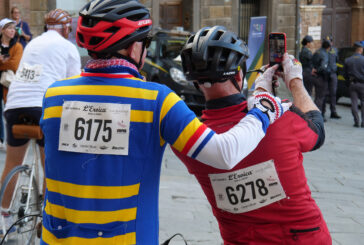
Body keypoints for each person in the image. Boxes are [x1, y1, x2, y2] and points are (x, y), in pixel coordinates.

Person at [39, 1, 285, 244]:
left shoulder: (53, 95)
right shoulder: (157, 100)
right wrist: (264, 110)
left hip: (57, 238)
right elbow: (224, 153)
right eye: (145, 43)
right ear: (134, 48)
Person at [173, 26, 330, 244]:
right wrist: (295, 81)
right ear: (239, 74)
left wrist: (260, 95)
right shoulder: (280, 115)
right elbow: (317, 132)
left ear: (195, 83)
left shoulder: (191, 139)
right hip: (302, 237)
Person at [0, 9, 81, 232]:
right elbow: (74, 85)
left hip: (15, 104)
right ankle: (46, 217)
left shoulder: (33, 43)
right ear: (66, 29)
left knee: (11, 164)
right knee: (51, 165)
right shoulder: (68, 48)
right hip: (43, 106)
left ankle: (3, 217)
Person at [0, 18, 23, 148]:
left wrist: (2, 62)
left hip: (10, 82)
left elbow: (15, 64)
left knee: (9, 109)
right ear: (2, 30)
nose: (13, 31)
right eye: (9, 28)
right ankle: (1, 138)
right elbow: (10, 63)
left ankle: (12, 138)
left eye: (14, 28)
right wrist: (5, 63)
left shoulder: (17, 46)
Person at [344, 41, 364, 127]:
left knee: (354, 103)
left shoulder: (348, 60)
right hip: (363, 84)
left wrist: (348, 83)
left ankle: (356, 121)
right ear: (361, 49)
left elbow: (345, 74)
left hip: (352, 84)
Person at [312, 39, 331, 121]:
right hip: (322, 77)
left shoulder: (317, 52)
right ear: (328, 47)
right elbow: (324, 66)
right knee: (320, 98)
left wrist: (314, 70)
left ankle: (316, 114)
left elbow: (311, 62)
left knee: (317, 97)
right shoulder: (324, 54)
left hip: (315, 77)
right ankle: (317, 116)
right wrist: (318, 70)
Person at [323, 35, 341, 119]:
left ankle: (333, 112)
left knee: (333, 93)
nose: (328, 43)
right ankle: (322, 112)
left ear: (332, 42)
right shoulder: (322, 50)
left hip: (333, 74)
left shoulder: (335, 50)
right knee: (324, 94)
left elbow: (337, 61)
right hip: (325, 74)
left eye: (330, 41)